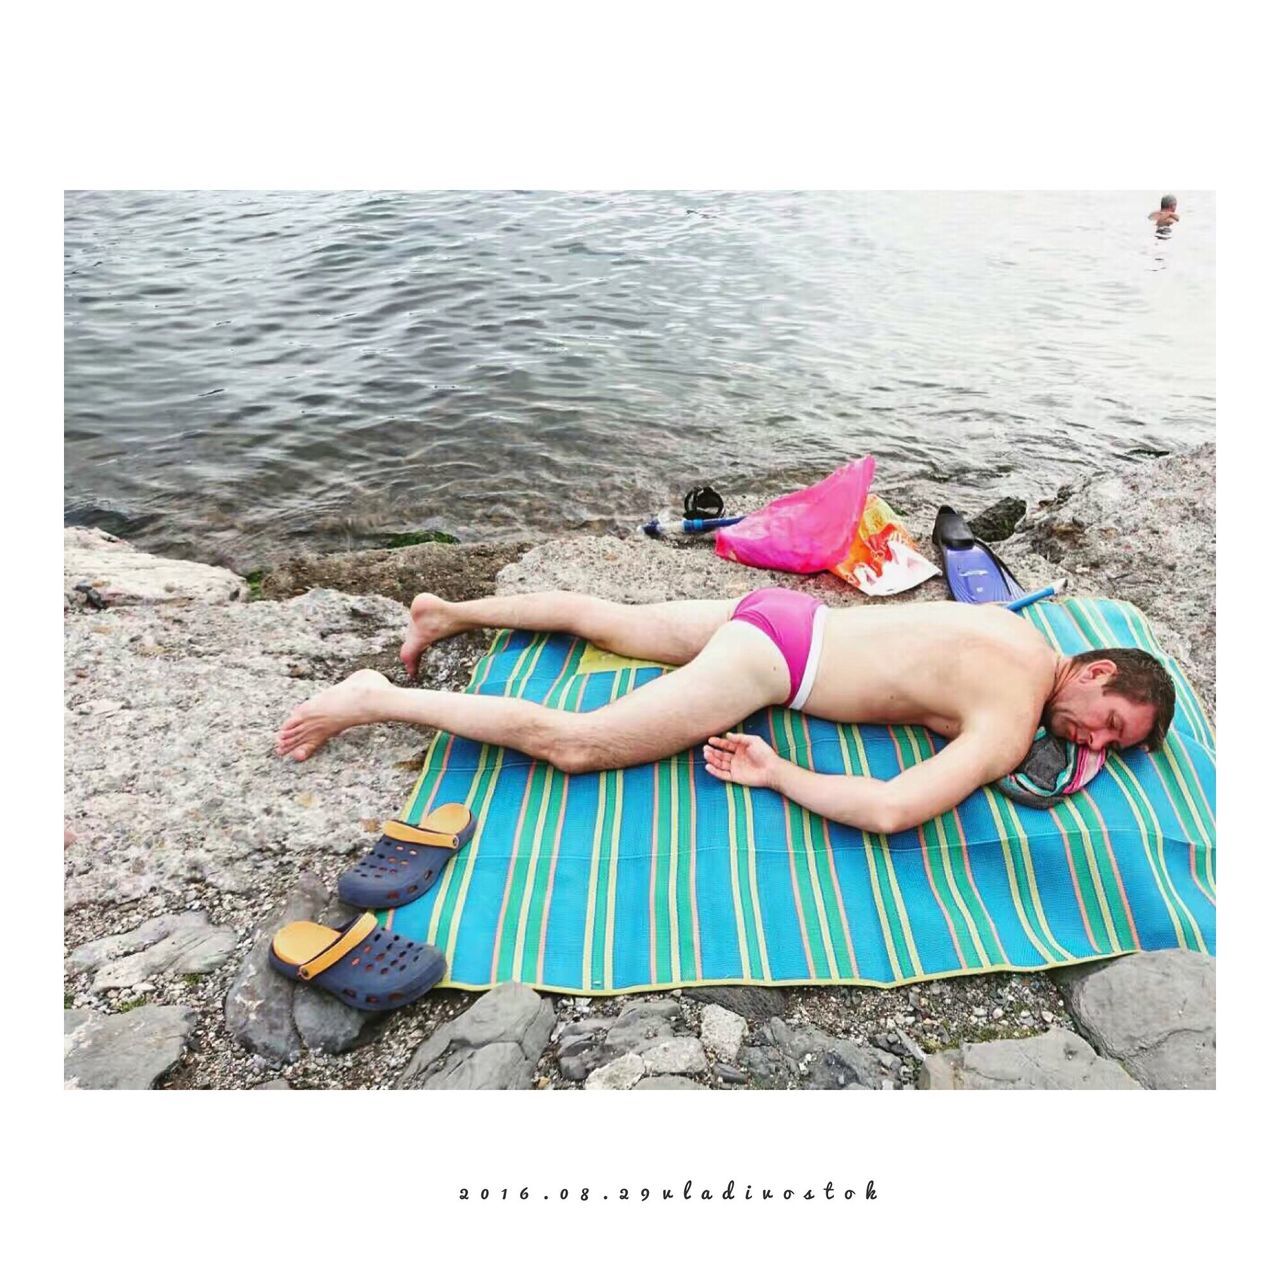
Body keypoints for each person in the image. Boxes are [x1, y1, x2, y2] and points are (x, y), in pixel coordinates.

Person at [275, 586, 1175, 834]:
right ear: (1093, 670)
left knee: (609, 621)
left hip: (785, 613)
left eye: (1110, 749)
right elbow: (895, 809)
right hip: (778, 659)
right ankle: (378, 697)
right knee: (578, 745)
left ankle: (446, 611)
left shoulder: (1012, 627)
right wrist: (778, 771)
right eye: (1108, 722)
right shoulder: (1014, 719)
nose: (1093, 744)